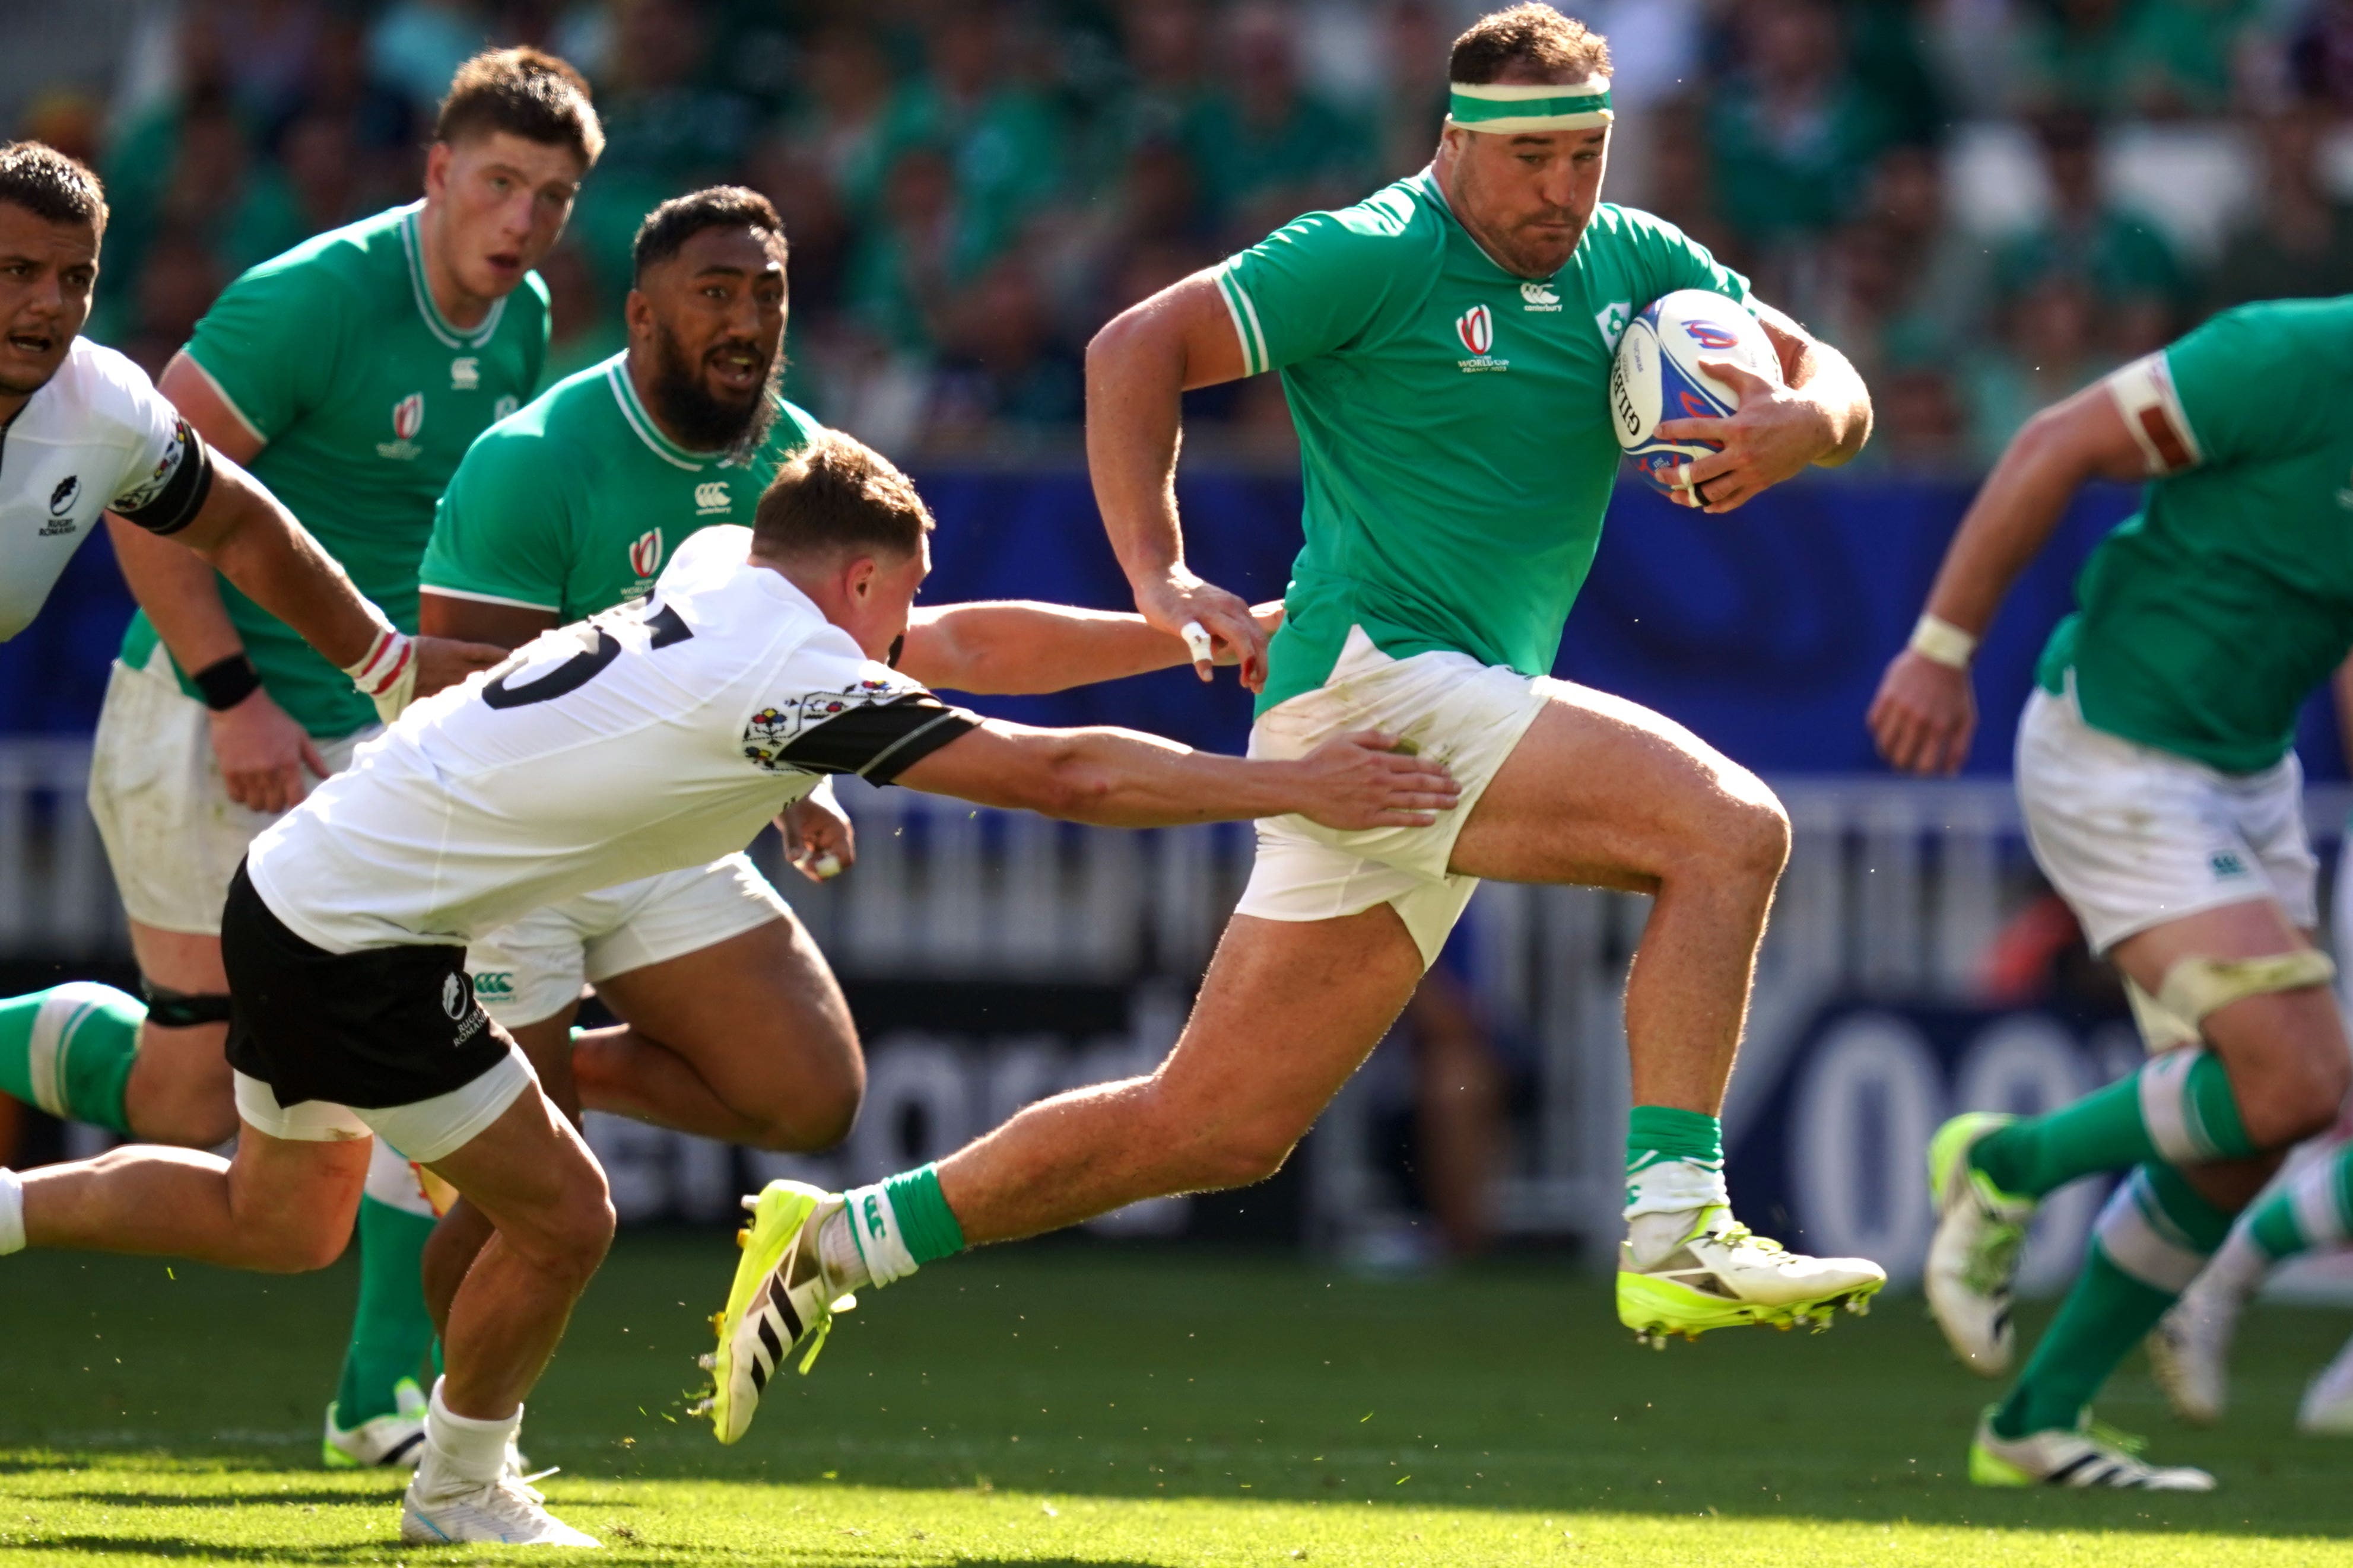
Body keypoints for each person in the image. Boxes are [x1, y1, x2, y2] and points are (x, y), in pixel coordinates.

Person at [700, 2, 1886, 1448]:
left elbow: (1827, 365)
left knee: (1211, 1125)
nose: (1562, 193)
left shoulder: (1634, 262)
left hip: (1421, 714)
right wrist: (1159, 570)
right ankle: (1676, 1220)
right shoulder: (1375, 250)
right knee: (1727, 829)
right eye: (1533, 164)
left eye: (1587, 156)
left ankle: (834, 1241)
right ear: (1457, 143)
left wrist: (1803, 425)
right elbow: (1135, 346)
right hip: (1377, 680)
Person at [0, 431, 1457, 1546]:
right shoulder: (793, 667)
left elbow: (950, 655)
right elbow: (1056, 771)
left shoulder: (718, 573)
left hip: (305, 880)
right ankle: (458, 1491)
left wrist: (1181, 627)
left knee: (272, 1213)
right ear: (865, 580)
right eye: (902, 599)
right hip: (359, 943)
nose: (905, 630)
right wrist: (1297, 780)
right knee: (567, 1213)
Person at [412, 185, 1279, 1349]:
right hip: (525, 844)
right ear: (641, 317)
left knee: (806, 1092)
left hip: (662, 836)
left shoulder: (799, 464)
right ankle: (442, 1435)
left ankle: (528, 1078)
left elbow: (946, 644)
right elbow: (460, 696)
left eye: (765, 294)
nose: (745, 319)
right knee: (517, 1207)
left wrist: (1192, 630)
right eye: (712, 293)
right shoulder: (534, 458)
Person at [78, 46, 600, 1470]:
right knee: (190, 1104)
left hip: (374, 749)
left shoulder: (527, 318)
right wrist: (236, 692)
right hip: (204, 717)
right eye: (500, 183)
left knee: (418, 1044)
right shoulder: (315, 297)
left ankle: (377, 1393)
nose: (523, 221)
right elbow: (143, 497)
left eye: (552, 198)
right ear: (436, 172)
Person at [1868, 294, 2353, 1489]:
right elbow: (2055, 443)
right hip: (2117, 750)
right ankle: (2011, 1162)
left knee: (2258, 1124)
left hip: (2248, 775)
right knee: (2298, 1074)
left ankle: (2035, 1420)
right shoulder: (2287, 356)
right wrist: (1940, 650)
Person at [0, 136, 498, 1145]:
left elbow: (235, 522)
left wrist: (383, 661)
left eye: (76, 277)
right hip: (190, 725)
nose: (50, 304)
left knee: (196, 1108)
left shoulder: (103, 406)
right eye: (16, 272)